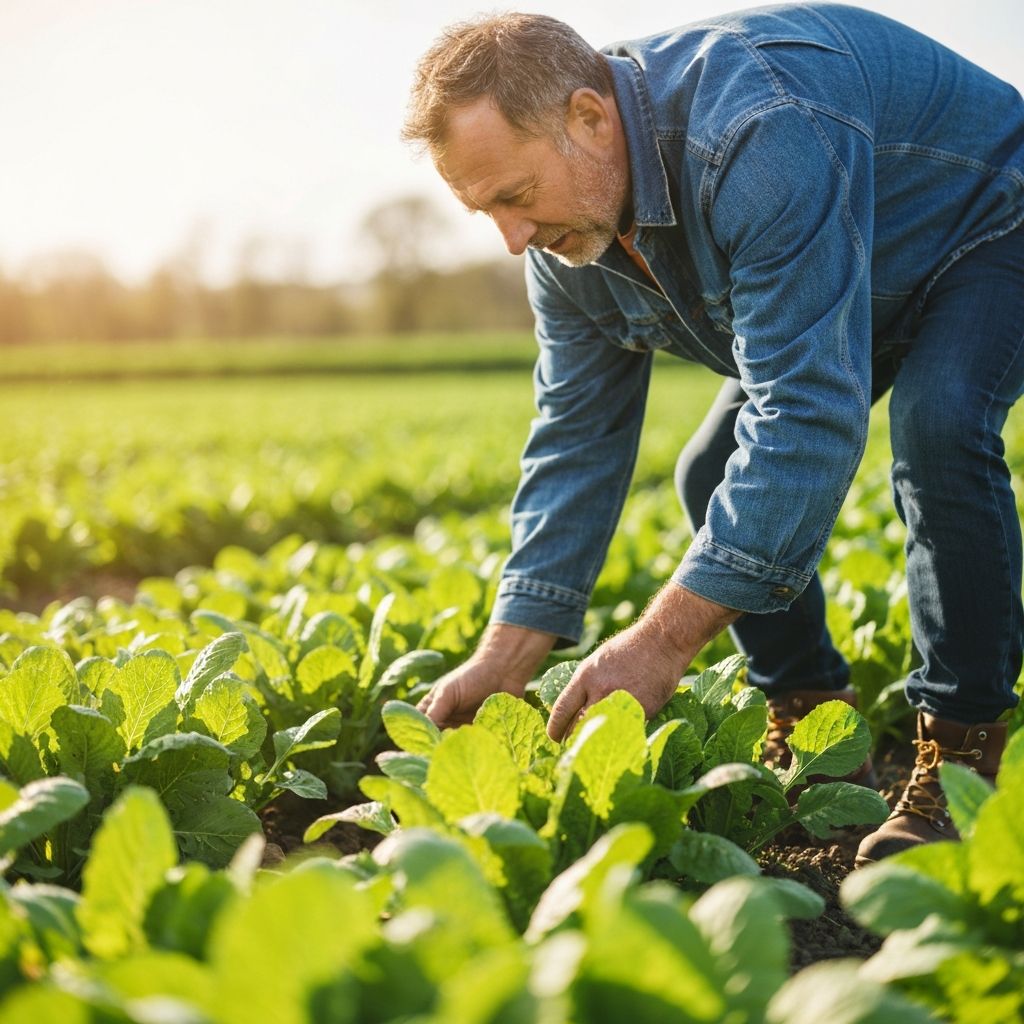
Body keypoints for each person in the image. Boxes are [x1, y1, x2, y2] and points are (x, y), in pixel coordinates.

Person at [402, 5, 1024, 864]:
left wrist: (662, 642)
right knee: (710, 471)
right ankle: (813, 725)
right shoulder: (561, 246)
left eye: (515, 196)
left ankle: (961, 756)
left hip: (992, 216)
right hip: (857, 255)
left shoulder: (756, 132)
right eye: (484, 213)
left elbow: (807, 411)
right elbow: (575, 438)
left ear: (588, 116)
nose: (513, 241)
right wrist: (509, 650)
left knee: (941, 420)